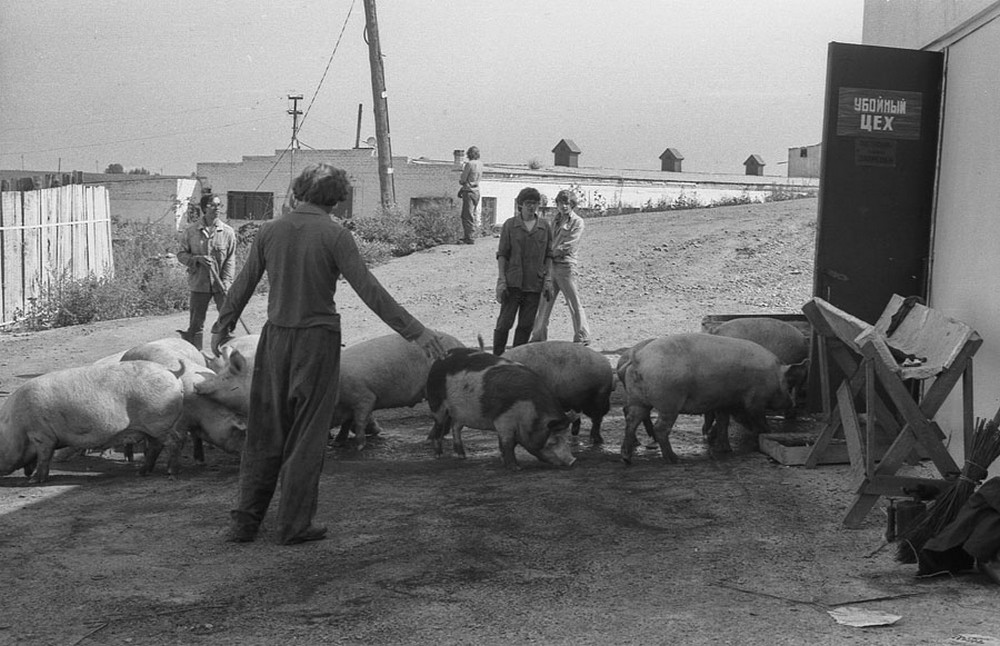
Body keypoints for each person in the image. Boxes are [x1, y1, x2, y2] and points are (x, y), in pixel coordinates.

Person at [210, 163, 447, 546]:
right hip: (317, 343)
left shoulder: (270, 230)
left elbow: (243, 283)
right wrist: (416, 332)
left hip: (275, 341)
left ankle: (244, 523)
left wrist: (222, 325)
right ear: (337, 199)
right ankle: (294, 525)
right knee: (307, 436)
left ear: (300, 190)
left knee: (265, 433)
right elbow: (371, 292)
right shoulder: (336, 235)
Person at [492, 187, 554, 355]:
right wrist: (501, 280)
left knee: (526, 325)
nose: (531, 207)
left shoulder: (544, 227)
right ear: (520, 205)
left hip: (534, 284)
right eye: (527, 203)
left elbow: (549, 256)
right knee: (504, 323)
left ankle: (516, 359)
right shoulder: (510, 225)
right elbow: (502, 254)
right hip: (513, 283)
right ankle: (497, 358)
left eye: (534, 204)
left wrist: (548, 280)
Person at [529, 189, 591, 345]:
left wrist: (549, 253)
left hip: (566, 266)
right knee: (544, 302)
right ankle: (538, 336)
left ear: (572, 205)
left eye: (567, 203)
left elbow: (569, 245)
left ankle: (582, 335)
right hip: (551, 267)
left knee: (573, 302)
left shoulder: (577, 222)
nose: (563, 206)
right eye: (561, 203)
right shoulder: (555, 220)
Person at [176, 194, 237, 350]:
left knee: (226, 320)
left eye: (219, 205)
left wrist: (227, 281)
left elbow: (230, 260)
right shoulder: (191, 231)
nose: (217, 208)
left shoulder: (228, 232)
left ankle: (223, 355)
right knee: (196, 323)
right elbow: (181, 255)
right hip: (199, 284)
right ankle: (195, 355)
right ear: (204, 208)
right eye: (212, 205)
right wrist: (197, 259)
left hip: (220, 285)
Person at [457, 146, 483, 244]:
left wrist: (462, 183)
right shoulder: (480, 164)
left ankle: (469, 237)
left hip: (469, 191)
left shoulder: (469, 164)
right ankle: (472, 234)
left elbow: (463, 179)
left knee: (467, 215)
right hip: (476, 190)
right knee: (473, 213)